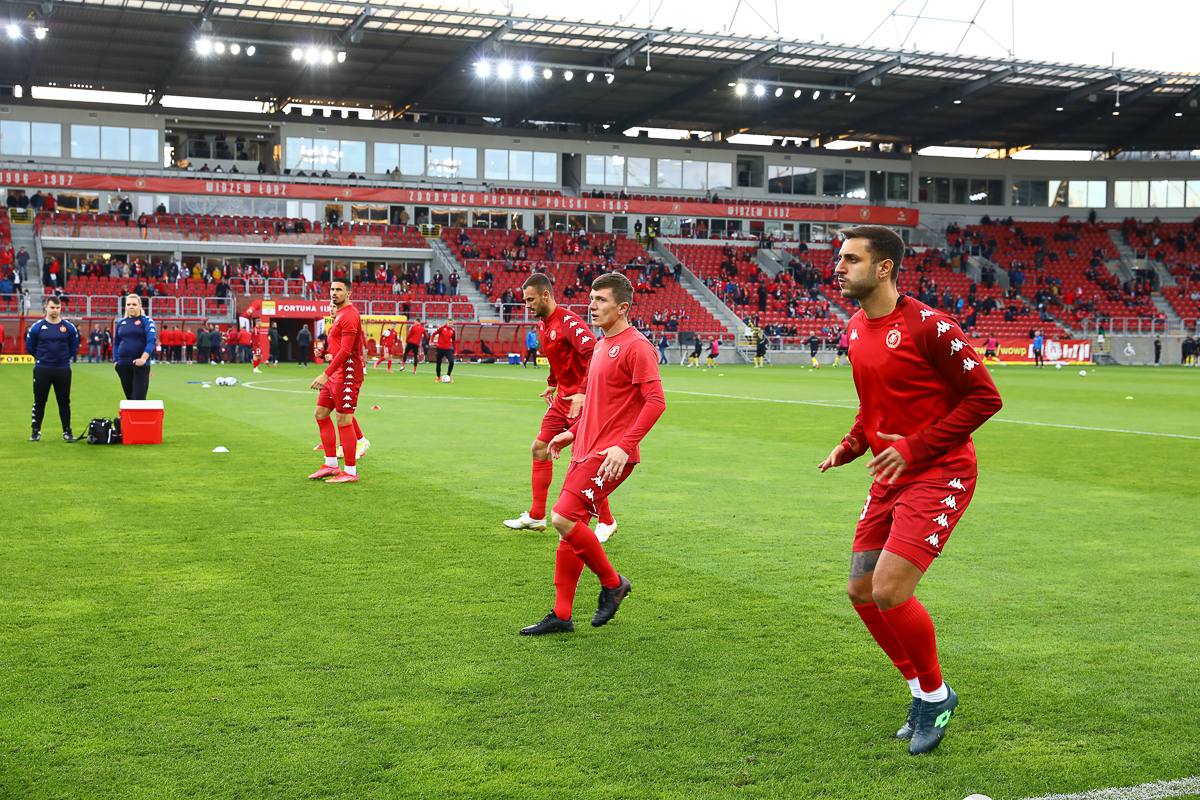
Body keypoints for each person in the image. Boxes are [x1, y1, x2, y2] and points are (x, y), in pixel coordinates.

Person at [818, 225, 1002, 756]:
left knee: (890, 589)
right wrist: (851, 445)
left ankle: (936, 694)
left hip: (940, 472)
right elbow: (874, 409)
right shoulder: (855, 327)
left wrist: (917, 447)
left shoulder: (930, 327)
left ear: (884, 268)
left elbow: (984, 400)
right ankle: (922, 691)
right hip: (889, 472)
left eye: (851, 259)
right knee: (860, 590)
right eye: (839, 257)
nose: (838, 266)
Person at [519, 273, 665, 636]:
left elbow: (656, 402)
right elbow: (600, 405)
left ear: (623, 307)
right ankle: (561, 615)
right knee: (570, 531)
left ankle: (613, 584)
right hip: (585, 448)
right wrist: (571, 432)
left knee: (562, 519)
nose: (592, 305)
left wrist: (624, 445)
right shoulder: (601, 344)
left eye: (600, 300)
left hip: (610, 454)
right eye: (591, 298)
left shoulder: (636, 346)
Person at [505, 273, 618, 543]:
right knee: (539, 447)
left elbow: (594, 352)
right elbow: (559, 358)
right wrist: (552, 383)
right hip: (562, 400)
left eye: (530, 300)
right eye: (524, 301)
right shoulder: (544, 325)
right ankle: (536, 515)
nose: (527, 305)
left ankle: (606, 521)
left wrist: (581, 391)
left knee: (585, 461)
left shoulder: (568, 321)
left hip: (584, 400)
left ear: (546, 295)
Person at [308, 280, 367, 484]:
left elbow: (347, 350)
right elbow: (337, 348)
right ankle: (331, 465)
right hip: (336, 374)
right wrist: (325, 354)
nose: (334, 292)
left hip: (347, 374)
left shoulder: (349, 315)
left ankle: (350, 471)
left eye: (339, 289)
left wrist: (325, 373)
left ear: (348, 293)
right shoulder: (339, 315)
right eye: (332, 289)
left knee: (344, 420)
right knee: (321, 413)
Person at [26, 296, 80, 442]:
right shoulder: (37, 326)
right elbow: (30, 346)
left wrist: (64, 358)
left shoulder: (68, 327)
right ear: (46, 308)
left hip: (62, 369)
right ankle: (35, 432)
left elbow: (74, 346)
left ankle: (67, 432)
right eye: (52, 307)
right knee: (40, 401)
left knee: (64, 401)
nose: (55, 310)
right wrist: (41, 358)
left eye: (57, 308)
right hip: (42, 368)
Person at [113, 294, 157, 400]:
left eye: (134, 304)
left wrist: (143, 359)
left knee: (139, 399)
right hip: (123, 365)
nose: (131, 307)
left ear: (140, 306)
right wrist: (115, 361)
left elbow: (151, 341)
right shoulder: (121, 322)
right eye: (128, 304)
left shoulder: (146, 321)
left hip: (139, 365)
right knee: (129, 399)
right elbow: (116, 343)